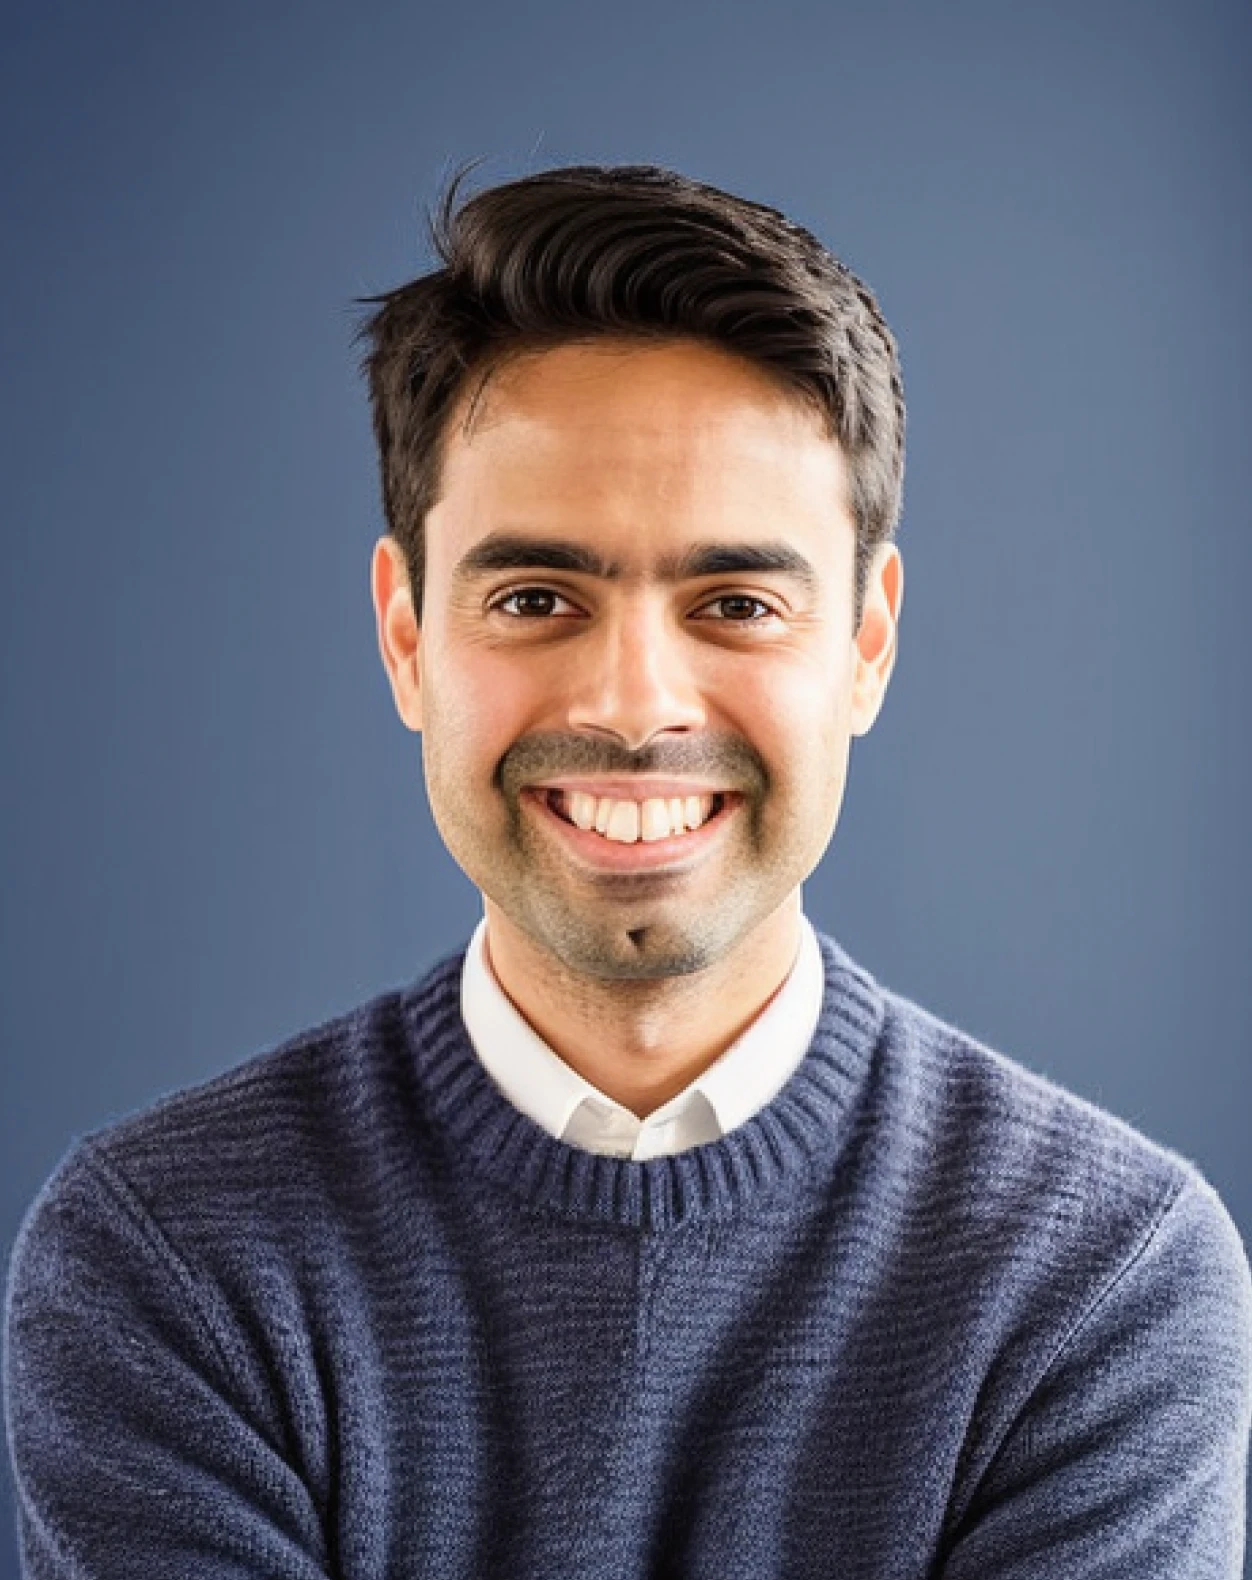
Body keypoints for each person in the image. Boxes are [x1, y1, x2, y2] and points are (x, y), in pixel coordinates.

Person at [4, 161, 1250, 1579]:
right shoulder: (167, 1259)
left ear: (867, 644)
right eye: (538, 598)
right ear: (407, 637)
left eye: (735, 603)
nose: (638, 703)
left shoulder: (1100, 1277)